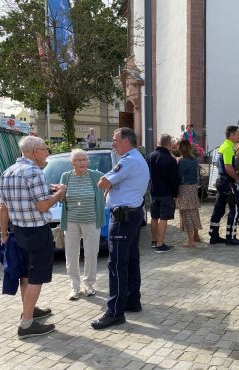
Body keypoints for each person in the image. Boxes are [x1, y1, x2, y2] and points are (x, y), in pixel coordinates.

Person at [0, 136, 67, 339]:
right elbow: (43, 206)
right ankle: (26, 324)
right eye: (45, 149)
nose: (47, 153)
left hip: (17, 231)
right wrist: (60, 193)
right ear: (35, 151)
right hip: (37, 232)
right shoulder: (35, 172)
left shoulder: (7, 172)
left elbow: (3, 207)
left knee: (25, 275)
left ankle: (29, 309)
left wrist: (3, 234)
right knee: (36, 277)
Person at [92, 127, 149, 330]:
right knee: (131, 260)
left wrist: (109, 186)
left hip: (124, 217)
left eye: (115, 140)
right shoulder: (136, 159)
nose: (113, 143)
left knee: (116, 264)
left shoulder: (128, 161)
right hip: (132, 214)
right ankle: (132, 300)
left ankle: (115, 312)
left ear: (126, 141)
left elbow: (102, 182)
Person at [59, 149, 106, 300]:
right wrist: (59, 192)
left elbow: (110, 184)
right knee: (71, 255)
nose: (82, 162)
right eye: (78, 160)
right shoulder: (66, 177)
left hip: (91, 220)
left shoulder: (96, 175)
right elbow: (61, 199)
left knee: (91, 253)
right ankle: (74, 287)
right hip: (71, 221)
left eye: (84, 159)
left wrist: (106, 195)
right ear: (72, 163)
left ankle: (89, 284)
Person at [209, 126, 239, 245]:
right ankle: (231, 237)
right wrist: (236, 177)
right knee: (234, 210)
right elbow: (228, 167)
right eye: (238, 134)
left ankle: (214, 235)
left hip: (221, 182)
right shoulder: (229, 148)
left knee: (218, 209)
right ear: (232, 134)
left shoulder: (224, 146)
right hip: (228, 183)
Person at [146, 134, 179, 253]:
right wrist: (175, 195)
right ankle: (160, 244)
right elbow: (174, 179)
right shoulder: (170, 159)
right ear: (169, 145)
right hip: (166, 193)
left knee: (154, 217)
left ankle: (154, 241)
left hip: (154, 192)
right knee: (163, 218)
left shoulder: (150, 156)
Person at [176, 140, 202, 248]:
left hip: (185, 188)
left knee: (186, 214)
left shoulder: (182, 161)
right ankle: (196, 236)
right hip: (193, 188)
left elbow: (178, 175)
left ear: (181, 148)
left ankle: (190, 241)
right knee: (194, 212)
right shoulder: (194, 159)